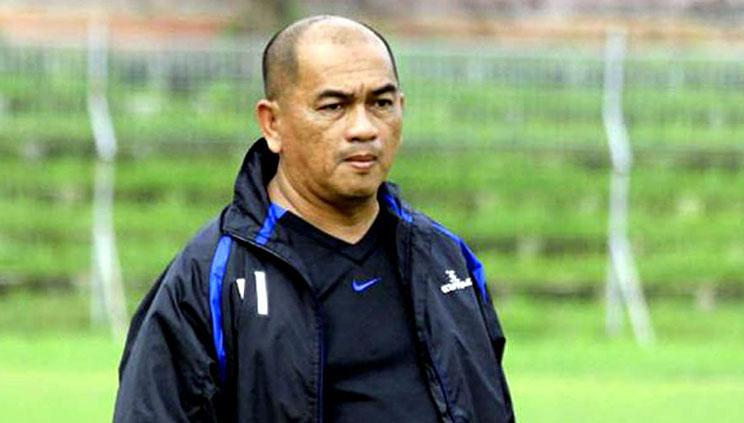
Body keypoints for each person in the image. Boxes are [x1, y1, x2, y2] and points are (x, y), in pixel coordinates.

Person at [114, 15, 514, 422]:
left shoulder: (446, 260)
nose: (364, 128)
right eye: (334, 106)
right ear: (273, 123)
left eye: (381, 103)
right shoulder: (210, 278)